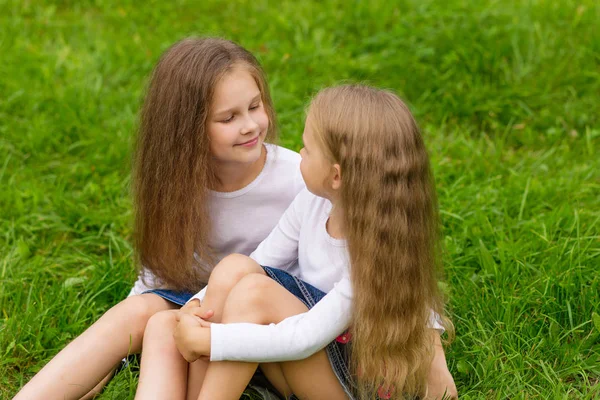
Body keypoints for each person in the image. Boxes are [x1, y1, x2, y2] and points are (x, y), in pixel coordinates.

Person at [14, 37, 305, 400]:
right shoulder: (178, 182)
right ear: (187, 129)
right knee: (139, 310)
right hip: (201, 305)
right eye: (229, 117)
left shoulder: (296, 178)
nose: (249, 125)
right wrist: (113, 355)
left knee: (193, 304)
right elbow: (158, 272)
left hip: (269, 321)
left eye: (255, 106)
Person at [146, 85, 458, 399]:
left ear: (336, 176)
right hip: (307, 358)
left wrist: (211, 340)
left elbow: (305, 338)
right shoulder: (312, 202)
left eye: (307, 149)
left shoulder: (378, 253)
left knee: (255, 293)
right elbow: (262, 261)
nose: (299, 151)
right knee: (234, 269)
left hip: (350, 383)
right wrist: (193, 310)